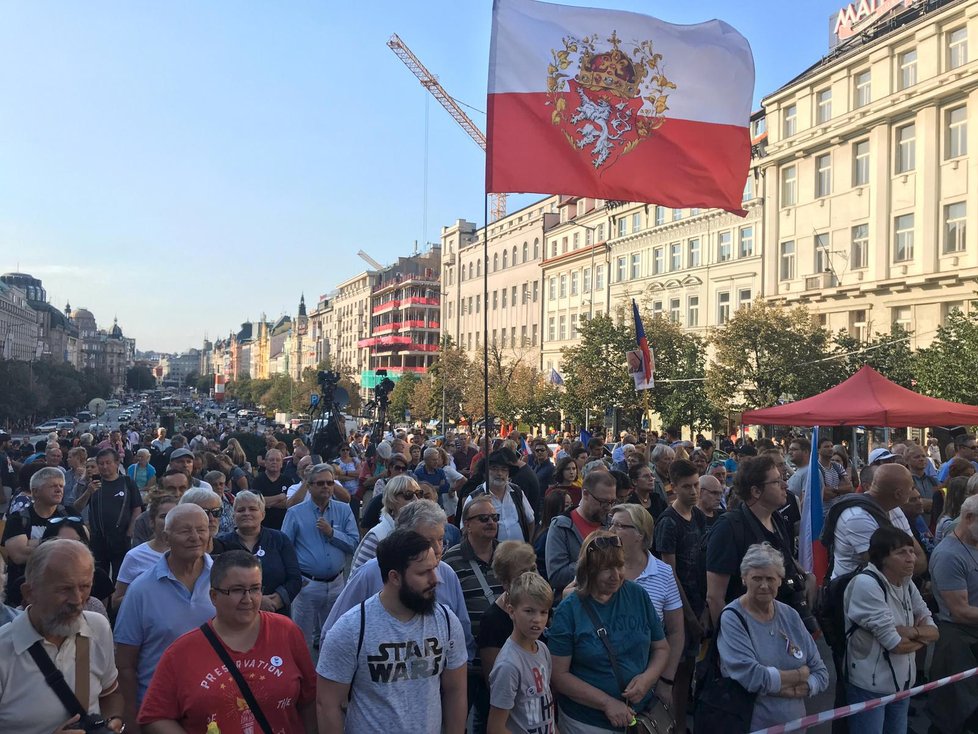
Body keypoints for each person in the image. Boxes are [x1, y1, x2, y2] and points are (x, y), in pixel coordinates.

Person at [138, 550, 317, 733]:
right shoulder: (181, 652)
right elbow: (154, 716)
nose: (248, 599)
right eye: (237, 590)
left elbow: (310, 699)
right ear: (214, 596)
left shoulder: (287, 632)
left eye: (255, 589)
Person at [316, 529, 469, 733]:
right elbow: (327, 705)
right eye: (424, 572)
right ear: (395, 577)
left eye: (435, 569)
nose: (436, 579)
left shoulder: (447, 621)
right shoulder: (352, 628)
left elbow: (456, 692)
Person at [549, 530, 669, 732]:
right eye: (606, 568)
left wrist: (647, 679)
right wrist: (606, 703)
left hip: (639, 719)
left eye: (620, 565)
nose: (616, 575)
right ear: (589, 569)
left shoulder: (637, 595)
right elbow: (559, 675)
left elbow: (661, 648)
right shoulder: (569, 610)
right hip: (588, 723)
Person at [0, 539, 125, 733]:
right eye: (64, 589)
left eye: (84, 587)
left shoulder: (97, 627)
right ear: (29, 593)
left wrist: (112, 722)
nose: (77, 600)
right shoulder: (3, 650)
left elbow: (110, 693)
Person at [322, 499, 476, 656]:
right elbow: (332, 633)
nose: (437, 549)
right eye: (427, 542)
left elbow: (462, 636)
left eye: (441, 539)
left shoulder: (448, 575)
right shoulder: (369, 573)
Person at [114, 504, 217, 732]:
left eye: (201, 529)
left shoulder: (224, 579)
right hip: (161, 711)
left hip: (217, 705)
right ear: (166, 537)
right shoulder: (141, 590)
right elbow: (125, 663)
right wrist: (132, 716)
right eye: (185, 531)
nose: (195, 537)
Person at [716, 542, 829, 730]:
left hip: (797, 726)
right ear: (744, 578)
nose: (764, 585)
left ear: (780, 580)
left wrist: (798, 689)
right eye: (756, 578)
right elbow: (752, 677)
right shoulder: (732, 618)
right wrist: (800, 674)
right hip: (752, 725)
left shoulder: (790, 615)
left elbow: (821, 673)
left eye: (770, 578)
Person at [843, 527, 938, 734]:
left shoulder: (907, 583)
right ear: (882, 558)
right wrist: (922, 636)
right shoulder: (866, 584)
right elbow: (896, 644)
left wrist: (911, 632)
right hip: (870, 687)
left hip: (902, 684)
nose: (911, 558)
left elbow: (934, 631)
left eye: (911, 551)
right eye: (901, 552)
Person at [706, 455, 810, 627]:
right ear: (755, 491)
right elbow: (715, 597)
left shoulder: (776, 519)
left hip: (781, 625)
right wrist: (733, 641)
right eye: (777, 482)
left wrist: (806, 576)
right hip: (748, 631)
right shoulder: (728, 528)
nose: (786, 485)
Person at [611, 504, 684, 709]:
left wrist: (666, 681)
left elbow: (676, 633)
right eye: (611, 524)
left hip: (648, 681)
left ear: (640, 534)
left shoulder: (662, 573)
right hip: (604, 679)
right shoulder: (600, 569)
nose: (611, 530)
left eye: (619, 525)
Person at [281, 463, 359, 656]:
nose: (326, 487)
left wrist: (332, 533)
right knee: (301, 639)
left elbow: (354, 544)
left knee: (333, 636)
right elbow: (285, 549)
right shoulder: (295, 513)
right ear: (309, 486)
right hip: (307, 585)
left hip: (336, 584)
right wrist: (295, 580)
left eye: (330, 483)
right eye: (321, 483)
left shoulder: (343, 510)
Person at [652, 458, 706, 732]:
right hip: (677, 610)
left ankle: (682, 721)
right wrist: (689, 617)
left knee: (689, 671)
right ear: (673, 487)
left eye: (696, 485)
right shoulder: (668, 523)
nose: (694, 491)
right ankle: (671, 724)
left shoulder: (697, 516)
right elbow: (669, 575)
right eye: (687, 487)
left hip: (698, 605)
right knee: (674, 672)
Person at [443, 494, 505, 732]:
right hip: (465, 666)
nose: (491, 522)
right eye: (483, 518)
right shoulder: (450, 561)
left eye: (494, 517)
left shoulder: (509, 555)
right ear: (467, 524)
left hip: (502, 661)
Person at [927, 493, 978, 732]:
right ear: (969, 518)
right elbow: (960, 611)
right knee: (958, 711)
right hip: (959, 640)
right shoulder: (949, 555)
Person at [487, 571, 556, 734]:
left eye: (543, 612)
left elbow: (547, 708)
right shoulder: (508, 666)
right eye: (529, 611)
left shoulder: (543, 649)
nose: (537, 619)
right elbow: (495, 728)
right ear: (512, 611)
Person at [829, 464, 925, 580]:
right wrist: (906, 567)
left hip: (895, 588)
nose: (914, 491)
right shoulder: (857, 517)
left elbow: (920, 559)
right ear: (898, 494)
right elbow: (884, 569)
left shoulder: (895, 509)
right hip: (855, 592)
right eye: (911, 487)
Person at [217, 490, 302, 614]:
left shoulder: (279, 539)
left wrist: (277, 601)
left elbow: (295, 578)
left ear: (262, 514)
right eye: (241, 510)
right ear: (233, 515)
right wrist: (257, 601)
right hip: (236, 615)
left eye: (252, 509)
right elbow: (219, 583)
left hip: (276, 612)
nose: (247, 513)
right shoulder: (222, 544)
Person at [0, 466, 69, 607]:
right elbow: (18, 555)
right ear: (35, 492)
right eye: (53, 486)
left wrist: (31, 544)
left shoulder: (69, 514)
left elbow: (82, 546)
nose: (59, 489)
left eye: (61, 486)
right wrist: (60, 542)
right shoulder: (18, 518)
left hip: (62, 591)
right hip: (24, 594)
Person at [74, 448, 143, 580]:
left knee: (121, 577)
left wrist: (130, 531)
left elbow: (136, 508)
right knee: (100, 578)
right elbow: (76, 508)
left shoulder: (127, 482)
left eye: (108, 463)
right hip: (98, 539)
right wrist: (88, 492)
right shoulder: (93, 485)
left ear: (116, 463)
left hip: (121, 538)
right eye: (101, 463)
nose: (104, 466)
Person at [478, 541, 540, 686]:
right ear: (505, 582)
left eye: (533, 569)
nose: (531, 576)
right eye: (523, 573)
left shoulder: (540, 607)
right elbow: (494, 681)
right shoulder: (492, 621)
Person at [546, 471, 615, 597]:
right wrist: (594, 561)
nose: (608, 507)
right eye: (603, 501)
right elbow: (556, 576)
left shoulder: (613, 525)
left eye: (612, 502)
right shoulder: (561, 526)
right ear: (585, 494)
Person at [112, 493, 178, 610]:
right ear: (152, 522)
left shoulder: (189, 553)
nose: (169, 521)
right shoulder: (135, 556)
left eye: (175, 516)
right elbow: (116, 602)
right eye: (164, 516)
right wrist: (148, 593)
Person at [351, 474, 423, 571]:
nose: (416, 499)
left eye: (418, 494)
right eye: (408, 495)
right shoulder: (377, 536)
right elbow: (357, 579)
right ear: (392, 501)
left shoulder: (422, 531)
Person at [462, 451, 535, 543]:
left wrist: (529, 543)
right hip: (491, 555)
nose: (499, 473)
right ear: (486, 472)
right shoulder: (474, 498)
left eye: (504, 469)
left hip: (520, 553)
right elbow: (465, 529)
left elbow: (530, 520)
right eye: (494, 468)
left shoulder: (517, 492)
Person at [252, 447, 291, 530]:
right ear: (265, 462)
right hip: (263, 526)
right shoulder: (258, 480)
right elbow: (255, 502)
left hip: (283, 525)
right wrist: (279, 497)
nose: (274, 462)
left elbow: (289, 503)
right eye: (271, 460)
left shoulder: (288, 481)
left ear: (282, 463)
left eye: (277, 460)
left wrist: (266, 502)